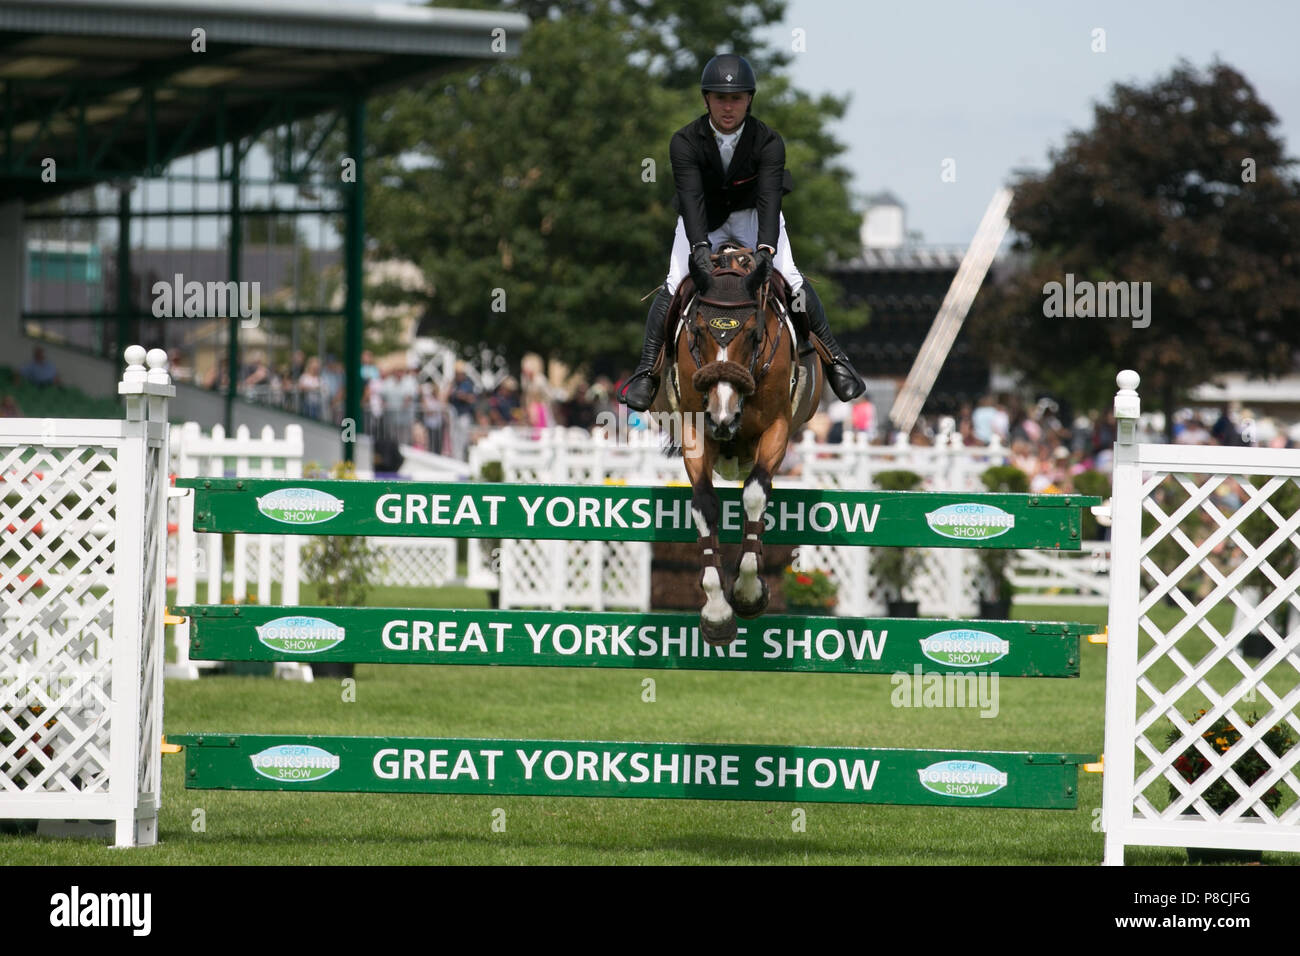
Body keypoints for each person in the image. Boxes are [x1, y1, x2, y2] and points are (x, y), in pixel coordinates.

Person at [618, 53, 865, 411]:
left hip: (754, 216)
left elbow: (769, 197)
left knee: (791, 278)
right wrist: (699, 246)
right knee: (675, 280)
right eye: (720, 98)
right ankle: (647, 372)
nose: (728, 107)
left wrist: (765, 250)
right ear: (707, 100)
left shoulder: (768, 141)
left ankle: (836, 360)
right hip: (703, 218)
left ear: (749, 99)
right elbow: (690, 196)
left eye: (735, 99)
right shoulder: (684, 141)